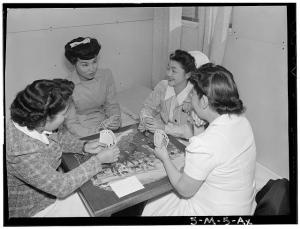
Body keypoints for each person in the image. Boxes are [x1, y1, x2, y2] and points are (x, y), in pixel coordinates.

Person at [142, 63, 257, 216]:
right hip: (243, 208)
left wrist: (164, 158)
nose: (189, 99)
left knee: (155, 203)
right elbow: (209, 156)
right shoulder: (242, 121)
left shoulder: (205, 143)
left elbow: (184, 190)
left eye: (192, 95)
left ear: (203, 102)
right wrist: (198, 128)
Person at [6, 79, 120, 217]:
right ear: (45, 119)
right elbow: (61, 186)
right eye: (63, 114)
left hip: (50, 188)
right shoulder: (21, 152)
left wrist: (83, 146)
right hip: (35, 208)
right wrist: (98, 160)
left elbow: (57, 136)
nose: (66, 117)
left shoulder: (33, 121)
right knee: (102, 200)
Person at [138, 49, 209, 139]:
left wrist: (164, 128)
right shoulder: (163, 86)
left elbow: (192, 131)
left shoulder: (195, 96)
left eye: (174, 71)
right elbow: (148, 107)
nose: (168, 74)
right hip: (163, 137)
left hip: (186, 142)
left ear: (187, 75)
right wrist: (146, 119)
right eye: (168, 68)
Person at [64, 37, 121, 137]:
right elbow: (71, 123)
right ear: (74, 64)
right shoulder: (66, 86)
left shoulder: (106, 75)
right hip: (79, 129)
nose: (92, 69)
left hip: (103, 121)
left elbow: (112, 105)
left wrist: (115, 119)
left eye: (94, 62)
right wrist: (95, 134)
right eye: (85, 65)